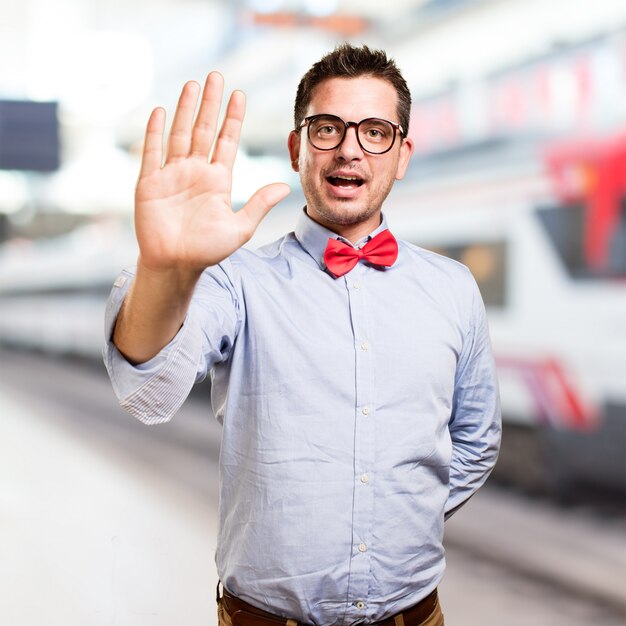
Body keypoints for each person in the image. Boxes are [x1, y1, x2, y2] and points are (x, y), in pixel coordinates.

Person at [104, 44, 501, 626]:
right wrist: (165, 271)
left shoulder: (455, 289)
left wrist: (395, 516)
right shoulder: (233, 281)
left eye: (375, 131)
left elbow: (476, 438)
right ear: (296, 148)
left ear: (403, 154)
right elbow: (149, 392)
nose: (348, 149)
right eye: (326, 128)